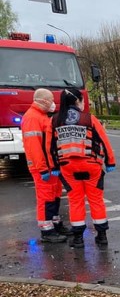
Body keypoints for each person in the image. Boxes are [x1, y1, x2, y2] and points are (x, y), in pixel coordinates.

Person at [50, 88, 116, 248]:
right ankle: (102, 237)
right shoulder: (89, 119)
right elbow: (104, 141)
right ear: (78, 101)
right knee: (96, 200)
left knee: (75, 201)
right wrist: (110, 162)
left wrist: (53, 166)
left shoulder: (55, 120)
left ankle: (78, 238)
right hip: (91, 165)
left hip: (68, 168)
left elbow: (50, 146)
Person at [21, 88, 73, 243]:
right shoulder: (32, 118)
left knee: (54, 194)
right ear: (42, 101)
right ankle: (47, 230)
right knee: (45, 198)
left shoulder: (41, 116)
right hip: (42, 167)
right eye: (50, 100)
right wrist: (42, 167)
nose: (53, 104)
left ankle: (55, 223)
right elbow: (34, 147)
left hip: (50, 166)